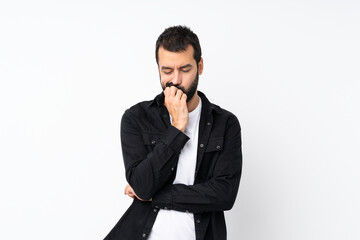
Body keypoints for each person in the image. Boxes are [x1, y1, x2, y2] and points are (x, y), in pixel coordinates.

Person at [104, 25, 242, 240]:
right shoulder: (136, 118)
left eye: (185, 70)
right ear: (158, 69)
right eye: (167, 71)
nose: (176, 80)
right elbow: (142, 185)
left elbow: (224, 195)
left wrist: (153, 194)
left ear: (200, 66)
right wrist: (177, 127)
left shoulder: (225, 123)